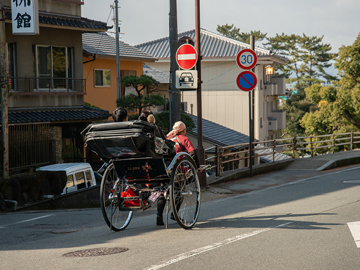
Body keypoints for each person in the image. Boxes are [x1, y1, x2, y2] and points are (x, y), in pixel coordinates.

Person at [156, 121, 202, 226]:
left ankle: (159, 215)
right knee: (180, 191)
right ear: (184, 130)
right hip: (177, 170)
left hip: (163, 168)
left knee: (162, 190)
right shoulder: (183, 138)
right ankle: (174, 213)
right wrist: (196, 167)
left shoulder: (166, 139)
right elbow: (192, 153)